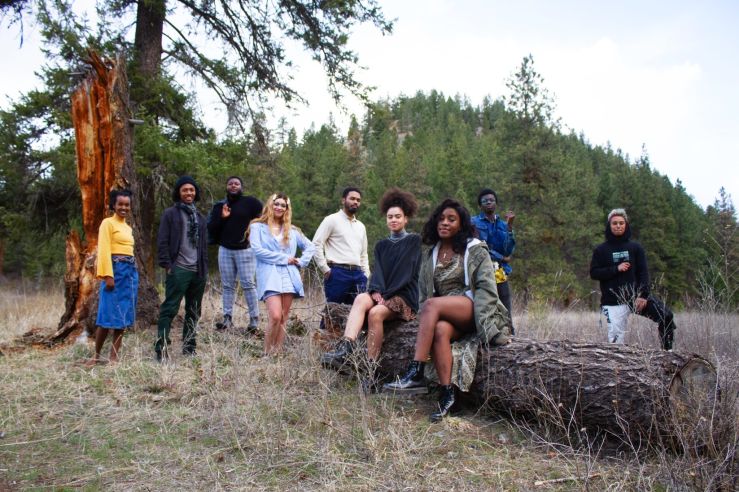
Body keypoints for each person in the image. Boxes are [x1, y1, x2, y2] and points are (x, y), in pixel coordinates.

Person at [383, 198, 510, 422]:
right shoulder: (431, 254)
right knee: (440, 330)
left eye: (451, 219)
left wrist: (487, 326)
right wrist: (427, 323)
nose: (445, 223)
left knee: (433, 306)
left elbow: (487, 290)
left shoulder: (475, 249)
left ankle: (416, 371)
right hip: (444, 313)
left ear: (461, 224)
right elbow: (424, 295)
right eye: (441, 219)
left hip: (473, 308)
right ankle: (447, 395)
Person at [321, 188, 422, 389]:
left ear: (405, 219)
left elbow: (407, 273)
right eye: (390, 217)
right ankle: (346, 347)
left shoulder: (413, 241)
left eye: (398, 217)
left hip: (403, 295)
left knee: (375, 313)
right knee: (360, 299)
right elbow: (378, 273)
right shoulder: (381, 245)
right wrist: (375, 290)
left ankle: (371, 372)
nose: (393, 220)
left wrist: (387, 295)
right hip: (385, 292)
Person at [590, 208, 676, 350]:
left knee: (666, 316)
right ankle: (617, 368)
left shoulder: (635, 248)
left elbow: (643, 273)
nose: (618, 226)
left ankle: (668, 355)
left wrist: (643, 295)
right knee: (616, 341)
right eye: (615, 223)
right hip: (613, 301)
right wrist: (616, 269)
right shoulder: (601, 250)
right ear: (609, 226)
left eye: (621, 223)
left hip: (635, 298)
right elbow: (594, 273)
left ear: (626, 225)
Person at [249, 193, 315, 355]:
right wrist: (285, 258)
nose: (279, 207)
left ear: (287, 209)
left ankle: (276, 353)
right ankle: (266, 352)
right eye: (276, 204)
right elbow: (258, 251)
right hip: (269, 274)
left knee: (284, 317)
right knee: (276, 315)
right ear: (270, 205)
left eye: (283, 205)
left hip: (289, 275)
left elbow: (311, 247)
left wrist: (300, 261)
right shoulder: (257, 227)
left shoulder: (292, 230)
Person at [155, 176, 208, 361]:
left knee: (194, 311)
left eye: (192, 190)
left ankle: (189, 348)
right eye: (185, 190)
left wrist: (204, 269)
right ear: (179, 192)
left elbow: (203, 246)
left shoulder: (200, 218)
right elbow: (162, 241)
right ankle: (161, 349)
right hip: (179, 269)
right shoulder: (171, 214)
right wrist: (168, 266)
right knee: (169, 309)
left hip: (198, 271)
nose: (189, 193)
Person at [86, 189, 139, 367]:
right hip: (115, 271)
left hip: (129, 273)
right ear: (113, 205)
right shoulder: (107, 224)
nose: (124, 207)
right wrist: (108, 275)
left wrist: (132, 273)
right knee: (106, 316)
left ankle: (114, 357)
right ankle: (96, 355)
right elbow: (104, 250)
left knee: (122, 316)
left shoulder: (128, 228)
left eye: (127, 204)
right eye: (120, 204)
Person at [207, 176, 263, 334]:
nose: (233, 186)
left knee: (248, 284)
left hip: (246, 250)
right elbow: (212, 228)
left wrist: (254, 237)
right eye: (230, 183)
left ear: (241, 186)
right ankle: (227, 318)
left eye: (236, 183)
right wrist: (222, 218)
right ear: (226, 187)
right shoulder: (220, 206)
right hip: (225, 250)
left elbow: (263, 220)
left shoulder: (251, 203)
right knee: (227, 286)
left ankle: (254, 320)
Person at [312, 187, 370, 306]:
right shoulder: (331, 220)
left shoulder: (361, 226)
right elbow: (316, 244)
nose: (355, 202)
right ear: (343, 200)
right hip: (337, 273)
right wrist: (325, 269)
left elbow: (364, 254)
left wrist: (366, 274)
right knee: (332, 312)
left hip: (358, 275)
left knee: (356, 314)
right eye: (352, 198)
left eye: (358, 200)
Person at [471, 188, 516, 334]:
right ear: (480, 205)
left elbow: (508, 250)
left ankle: (509, 334)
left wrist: (509, 228)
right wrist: (501, 257)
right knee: (486, 305)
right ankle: (487, 334)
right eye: (485, 201)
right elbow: (479, 247)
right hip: (481, 271)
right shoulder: (474, 222)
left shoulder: (503, 225)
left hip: (500, 271)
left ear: (496, 203)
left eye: (491, 200)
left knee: (505, 304)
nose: (489, 203)